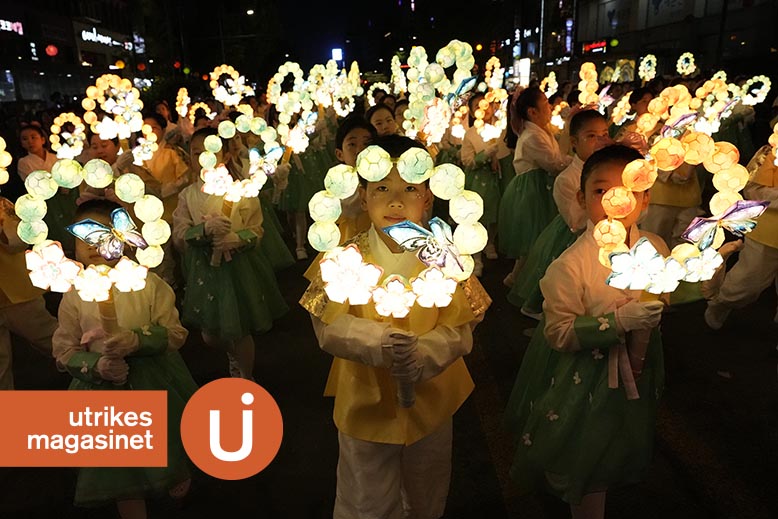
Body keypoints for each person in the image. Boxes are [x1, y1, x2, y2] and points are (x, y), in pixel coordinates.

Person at [301, 135, 491, 519]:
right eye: (381, 188)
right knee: (365, 498)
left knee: (427, 490)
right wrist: (378, 341)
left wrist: (426, 352)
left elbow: (462, 327)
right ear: (364, 196)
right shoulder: (342, 256)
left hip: (432, 399)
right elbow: (327, 325)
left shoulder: (447, 258)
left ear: (427, 198)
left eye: (409, 189)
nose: (394, 201)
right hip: (364, 396)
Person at [505, 145, 667, 519]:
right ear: (581, 197)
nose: (616, 200)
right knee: (584, 444)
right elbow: (559, 332)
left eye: (631, 189)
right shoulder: (571, 265)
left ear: (645, 199)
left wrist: (708, 274)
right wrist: (618, 322)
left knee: (619, 434)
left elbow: (666, 293)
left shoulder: (653, 247)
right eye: (600, 191)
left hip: (638, 366)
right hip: (584, 377)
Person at [52, 199, 197, 519]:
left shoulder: (149, 284)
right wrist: (93, 365)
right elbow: (64, 350)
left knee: (167, 439)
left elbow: (174, 333)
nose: (93, 247)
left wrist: (138, 341)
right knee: (120, 467)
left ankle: (175, 473)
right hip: (101, 390)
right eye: (84, 239)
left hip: (153, 379)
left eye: (104, 236)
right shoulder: (75, 293)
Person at [172, 128, 288, 381]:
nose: (203, 158)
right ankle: (234, 356)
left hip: (238, 268)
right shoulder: (188, 195)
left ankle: (245, 375)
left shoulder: (242, 191)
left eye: (211, 152)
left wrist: (238, 239)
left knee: (238, 327)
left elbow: (256, 230)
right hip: (205, 268)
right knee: (210, 334)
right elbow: (179, 233)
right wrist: (201, 230)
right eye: (197, 153)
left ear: (224, 156)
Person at [509, 109, 613, 318]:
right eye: (591, 136)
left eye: (604, 135)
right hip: (575, 238)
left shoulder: (611, 170)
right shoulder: (567, 180)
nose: (601, 142)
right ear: (574, 142)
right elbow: (576, 222)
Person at [500, 87, 571, 287]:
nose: (550, 109)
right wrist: (575, 160)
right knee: (535, 238)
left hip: (539, 187)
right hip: (533, 190)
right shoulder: (533, 136)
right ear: (533, 112)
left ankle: (518, 278)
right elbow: (554, 163)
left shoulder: (540, 132)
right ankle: (523, 281)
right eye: (546, 105)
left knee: (534, 240)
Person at [705, 144, 778, 329]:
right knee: (748, 283)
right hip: (768, 231)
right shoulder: (770, 153)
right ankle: (721, 303)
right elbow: (751, 188)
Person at [0, 196, 58, 390]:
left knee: (52, 339)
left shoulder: (2, 206)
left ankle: (93, 370)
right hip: (14, 294)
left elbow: (18, 241)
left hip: (18, 294)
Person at [460, 92, 509, 276]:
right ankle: (476, 256)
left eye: (486, 105)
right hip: (477, 182)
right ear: (472, 112)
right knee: (476, 216)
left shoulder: (499, 129)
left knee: (494, 213)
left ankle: (490, 243)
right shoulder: (470, 135)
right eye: (477, 106)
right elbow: (468, 161)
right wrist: (486, 154)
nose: (483, 109)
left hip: (495, 179)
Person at [17, 122, 78, 254]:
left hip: (62, 197)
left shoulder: (55, 157)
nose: (30, 142)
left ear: (43, 139)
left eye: (34, 137)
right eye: (25, 139)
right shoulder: (24, 162)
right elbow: (30, 181)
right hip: (42, 202)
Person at [332, 115, 377, 243]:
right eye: (352, 144)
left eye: (367, 143)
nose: (360, 150)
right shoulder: (338, 185)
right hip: (350, 243)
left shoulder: (386, 179)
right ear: (340, 154)